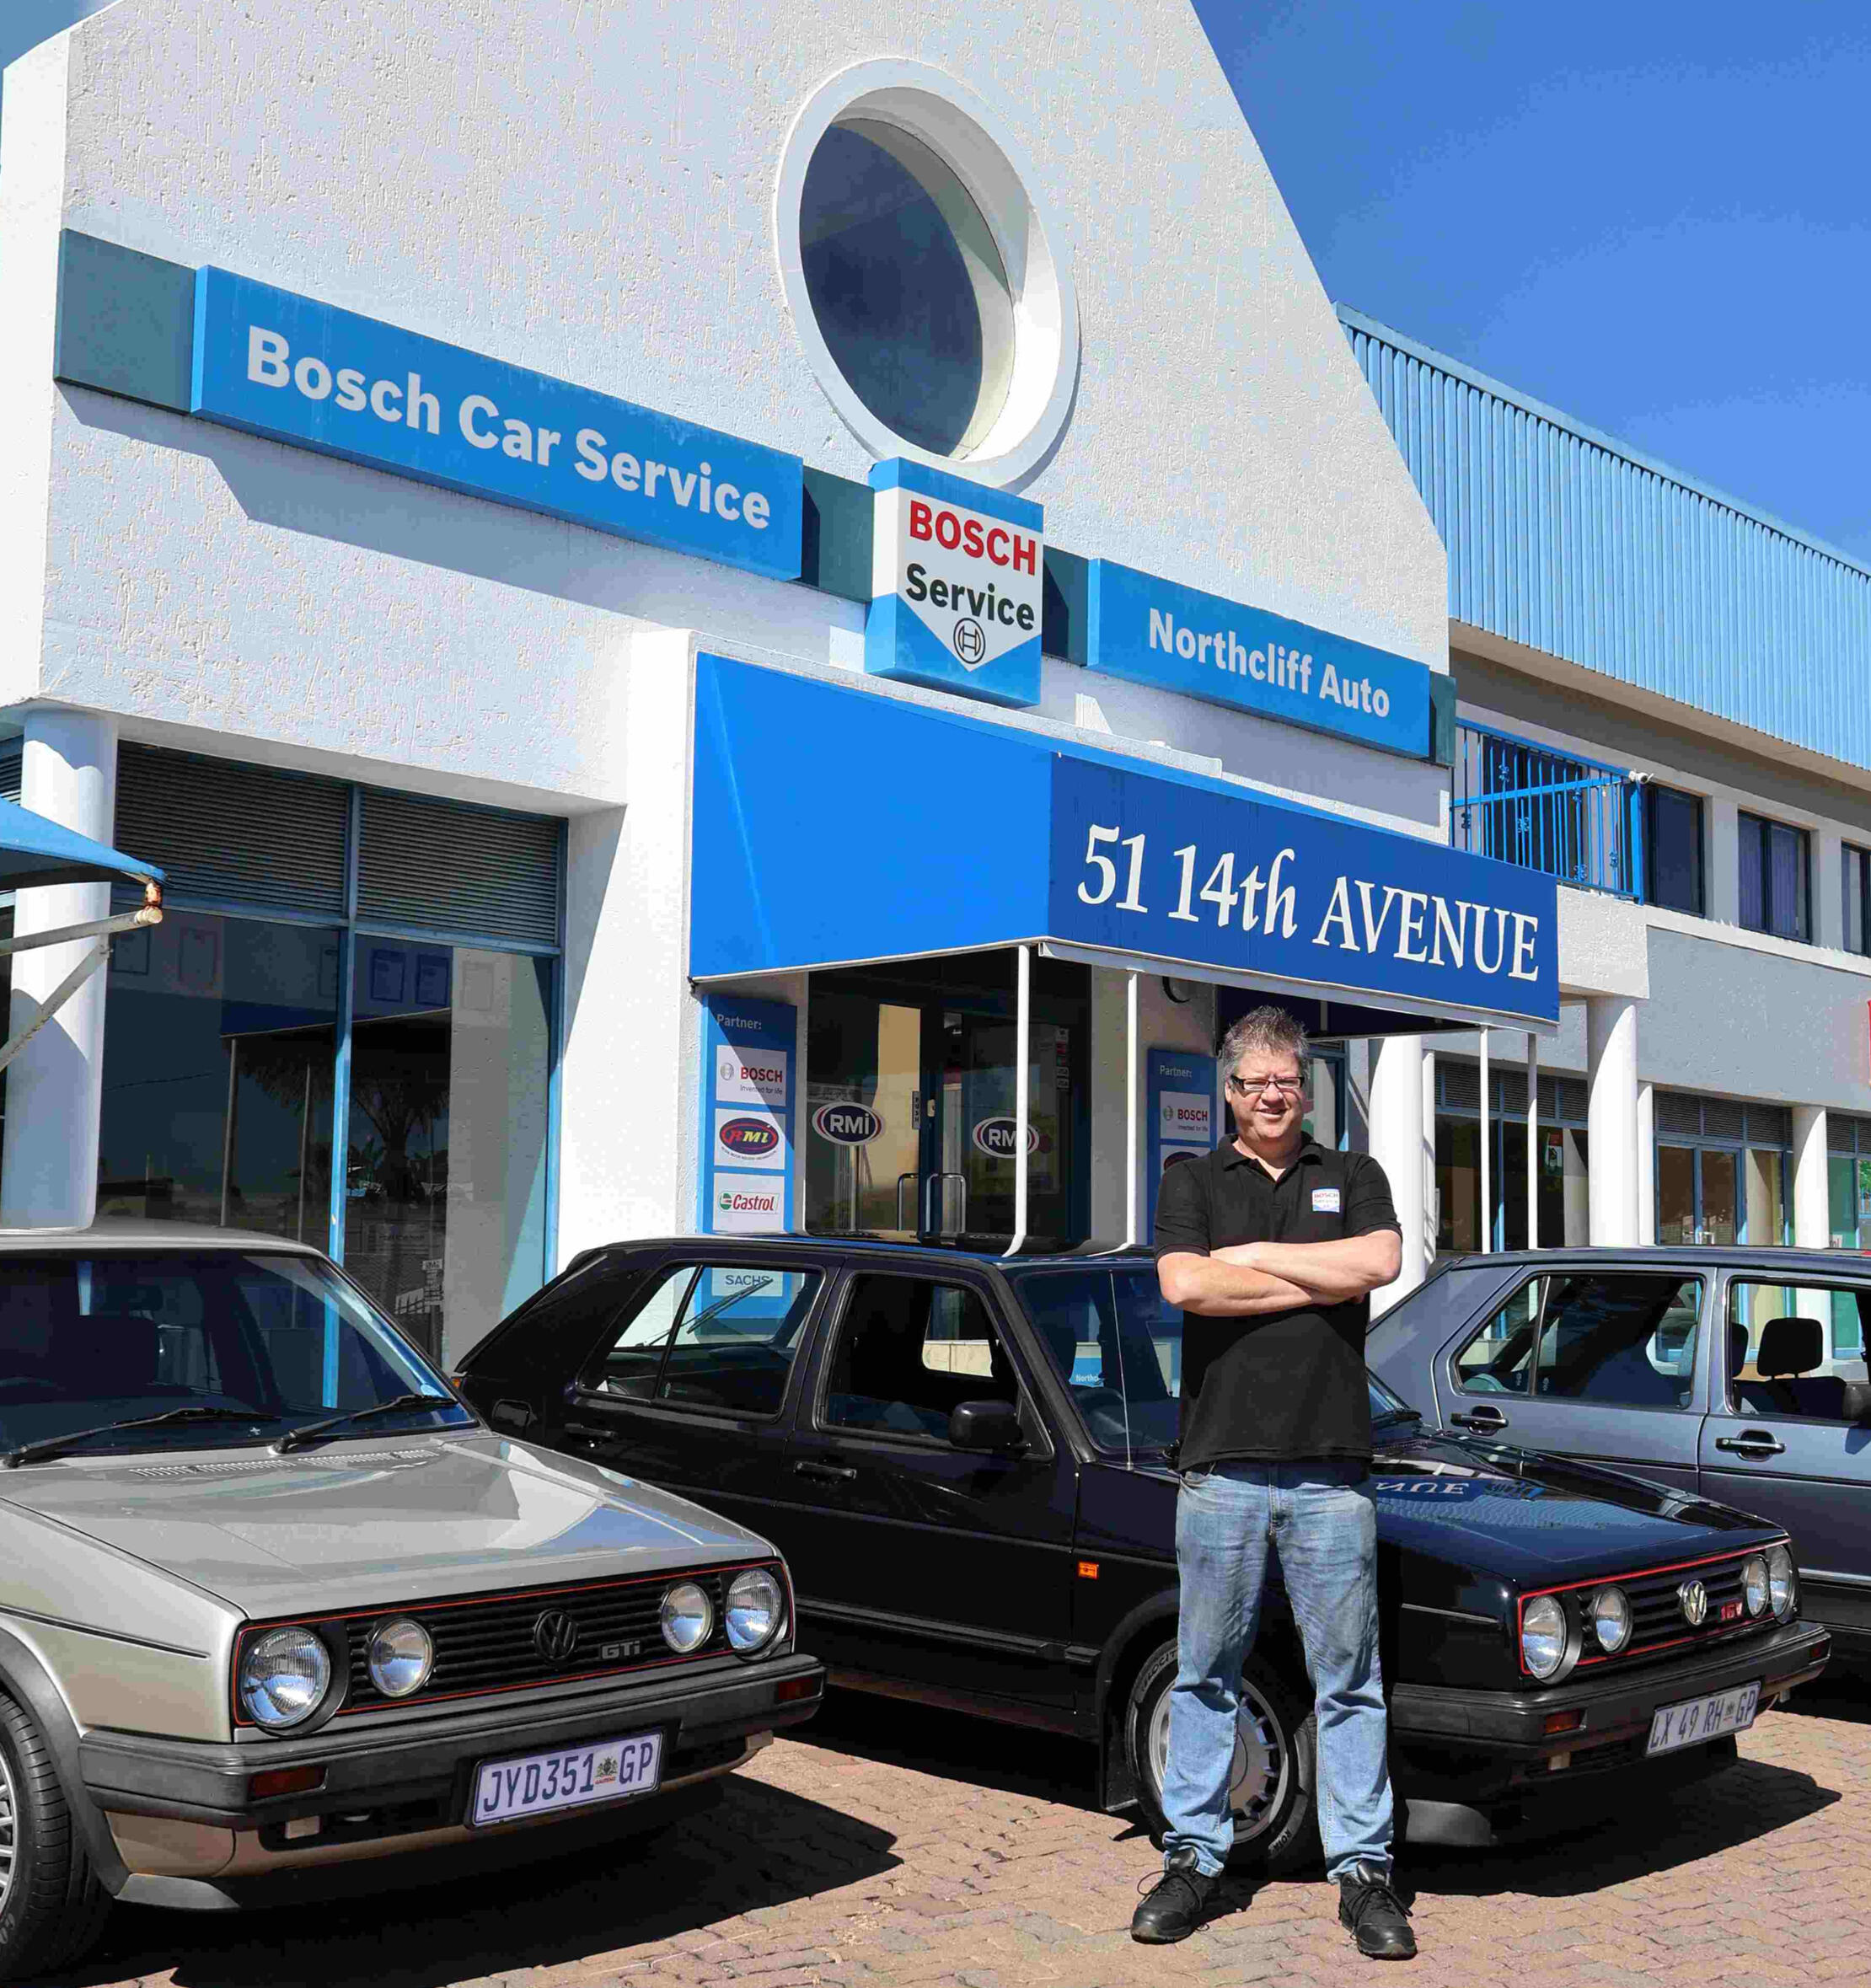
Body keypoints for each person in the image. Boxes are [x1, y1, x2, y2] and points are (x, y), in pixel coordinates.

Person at [1130, 1005, 1415, 1962]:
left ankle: (1364, 1874)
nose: (1272, 1095)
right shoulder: (1191, 1179)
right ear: (1229, 1091)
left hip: (1333, 1472)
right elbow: (1186, 1285)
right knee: (1205, 1674)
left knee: (1350, 1683)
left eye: (1286, 1079)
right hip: (1221, 1473)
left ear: (1307, 1085)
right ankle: (1194, 1860)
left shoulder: (1355, 1173)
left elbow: (1381, 1260)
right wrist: (1320, 1280)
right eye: (1254, 1081)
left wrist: (1252, 1260)